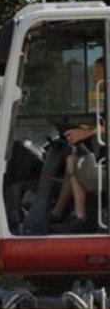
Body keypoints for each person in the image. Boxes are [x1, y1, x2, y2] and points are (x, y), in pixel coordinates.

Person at [51, 57, 105, 232]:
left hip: (106, 167)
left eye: (97, 71)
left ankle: (77, 216)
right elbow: (101, 123)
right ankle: (63, 213)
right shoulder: (102, 96)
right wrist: (85, 128)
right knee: (73, 158)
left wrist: (88, 132)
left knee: (73, 162)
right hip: (103, 160)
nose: (94, 75)